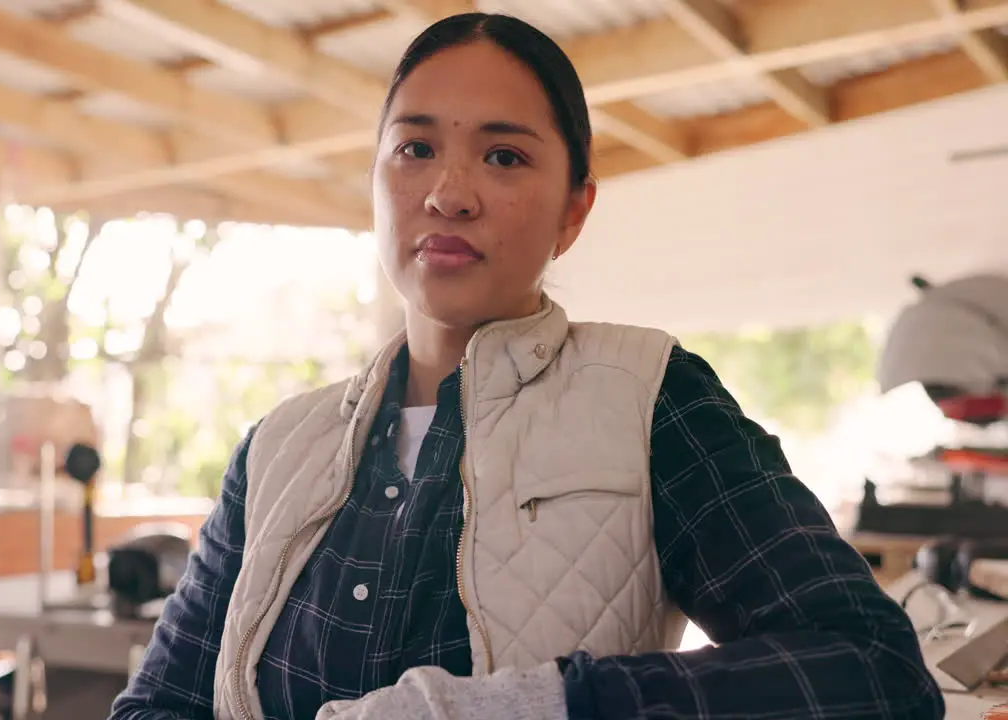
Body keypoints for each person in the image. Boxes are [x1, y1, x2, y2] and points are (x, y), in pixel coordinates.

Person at [110, 12, 942, 720]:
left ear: (574, 209)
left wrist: (534, 704)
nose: (449, 192)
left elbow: (873, 668)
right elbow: (157, 704)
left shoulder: (650, 399)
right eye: (414, 149)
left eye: (504, 157)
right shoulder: (276, 450)